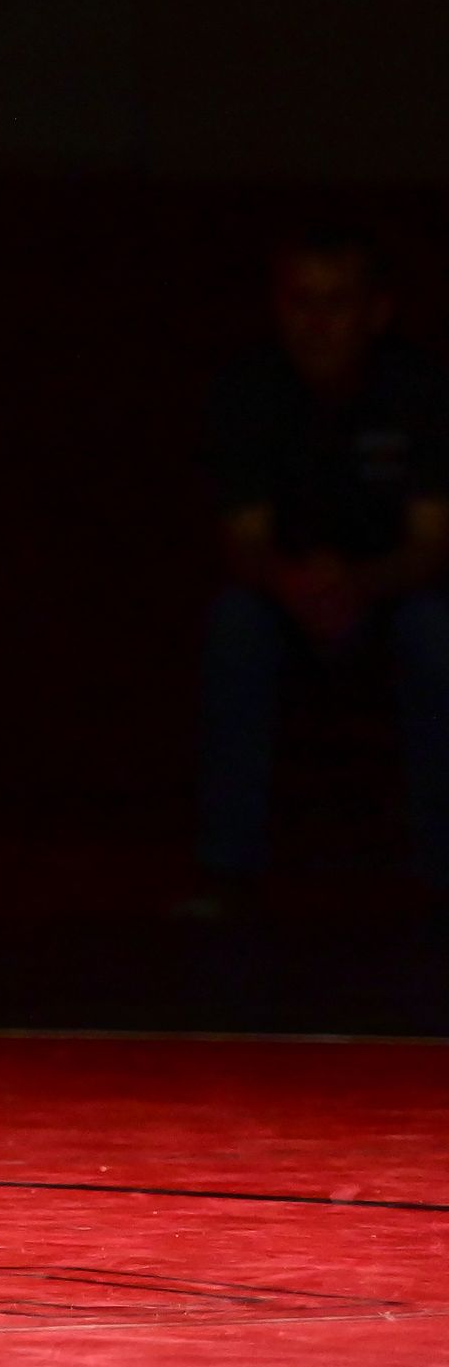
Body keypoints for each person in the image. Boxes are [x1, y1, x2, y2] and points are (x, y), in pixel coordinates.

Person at [197, 228, 449, 896]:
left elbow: (431, 542)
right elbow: (243, 538)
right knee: (234, 627)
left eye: (336, 302)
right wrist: (296, 583)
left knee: (436, 635)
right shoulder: (251, 390)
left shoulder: (418, 391)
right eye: (300, 301)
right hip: (285, 597)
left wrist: (357, 583)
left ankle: (439, 874)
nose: (317, 322)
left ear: (376, 311)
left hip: (392, 598)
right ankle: (230, 874)